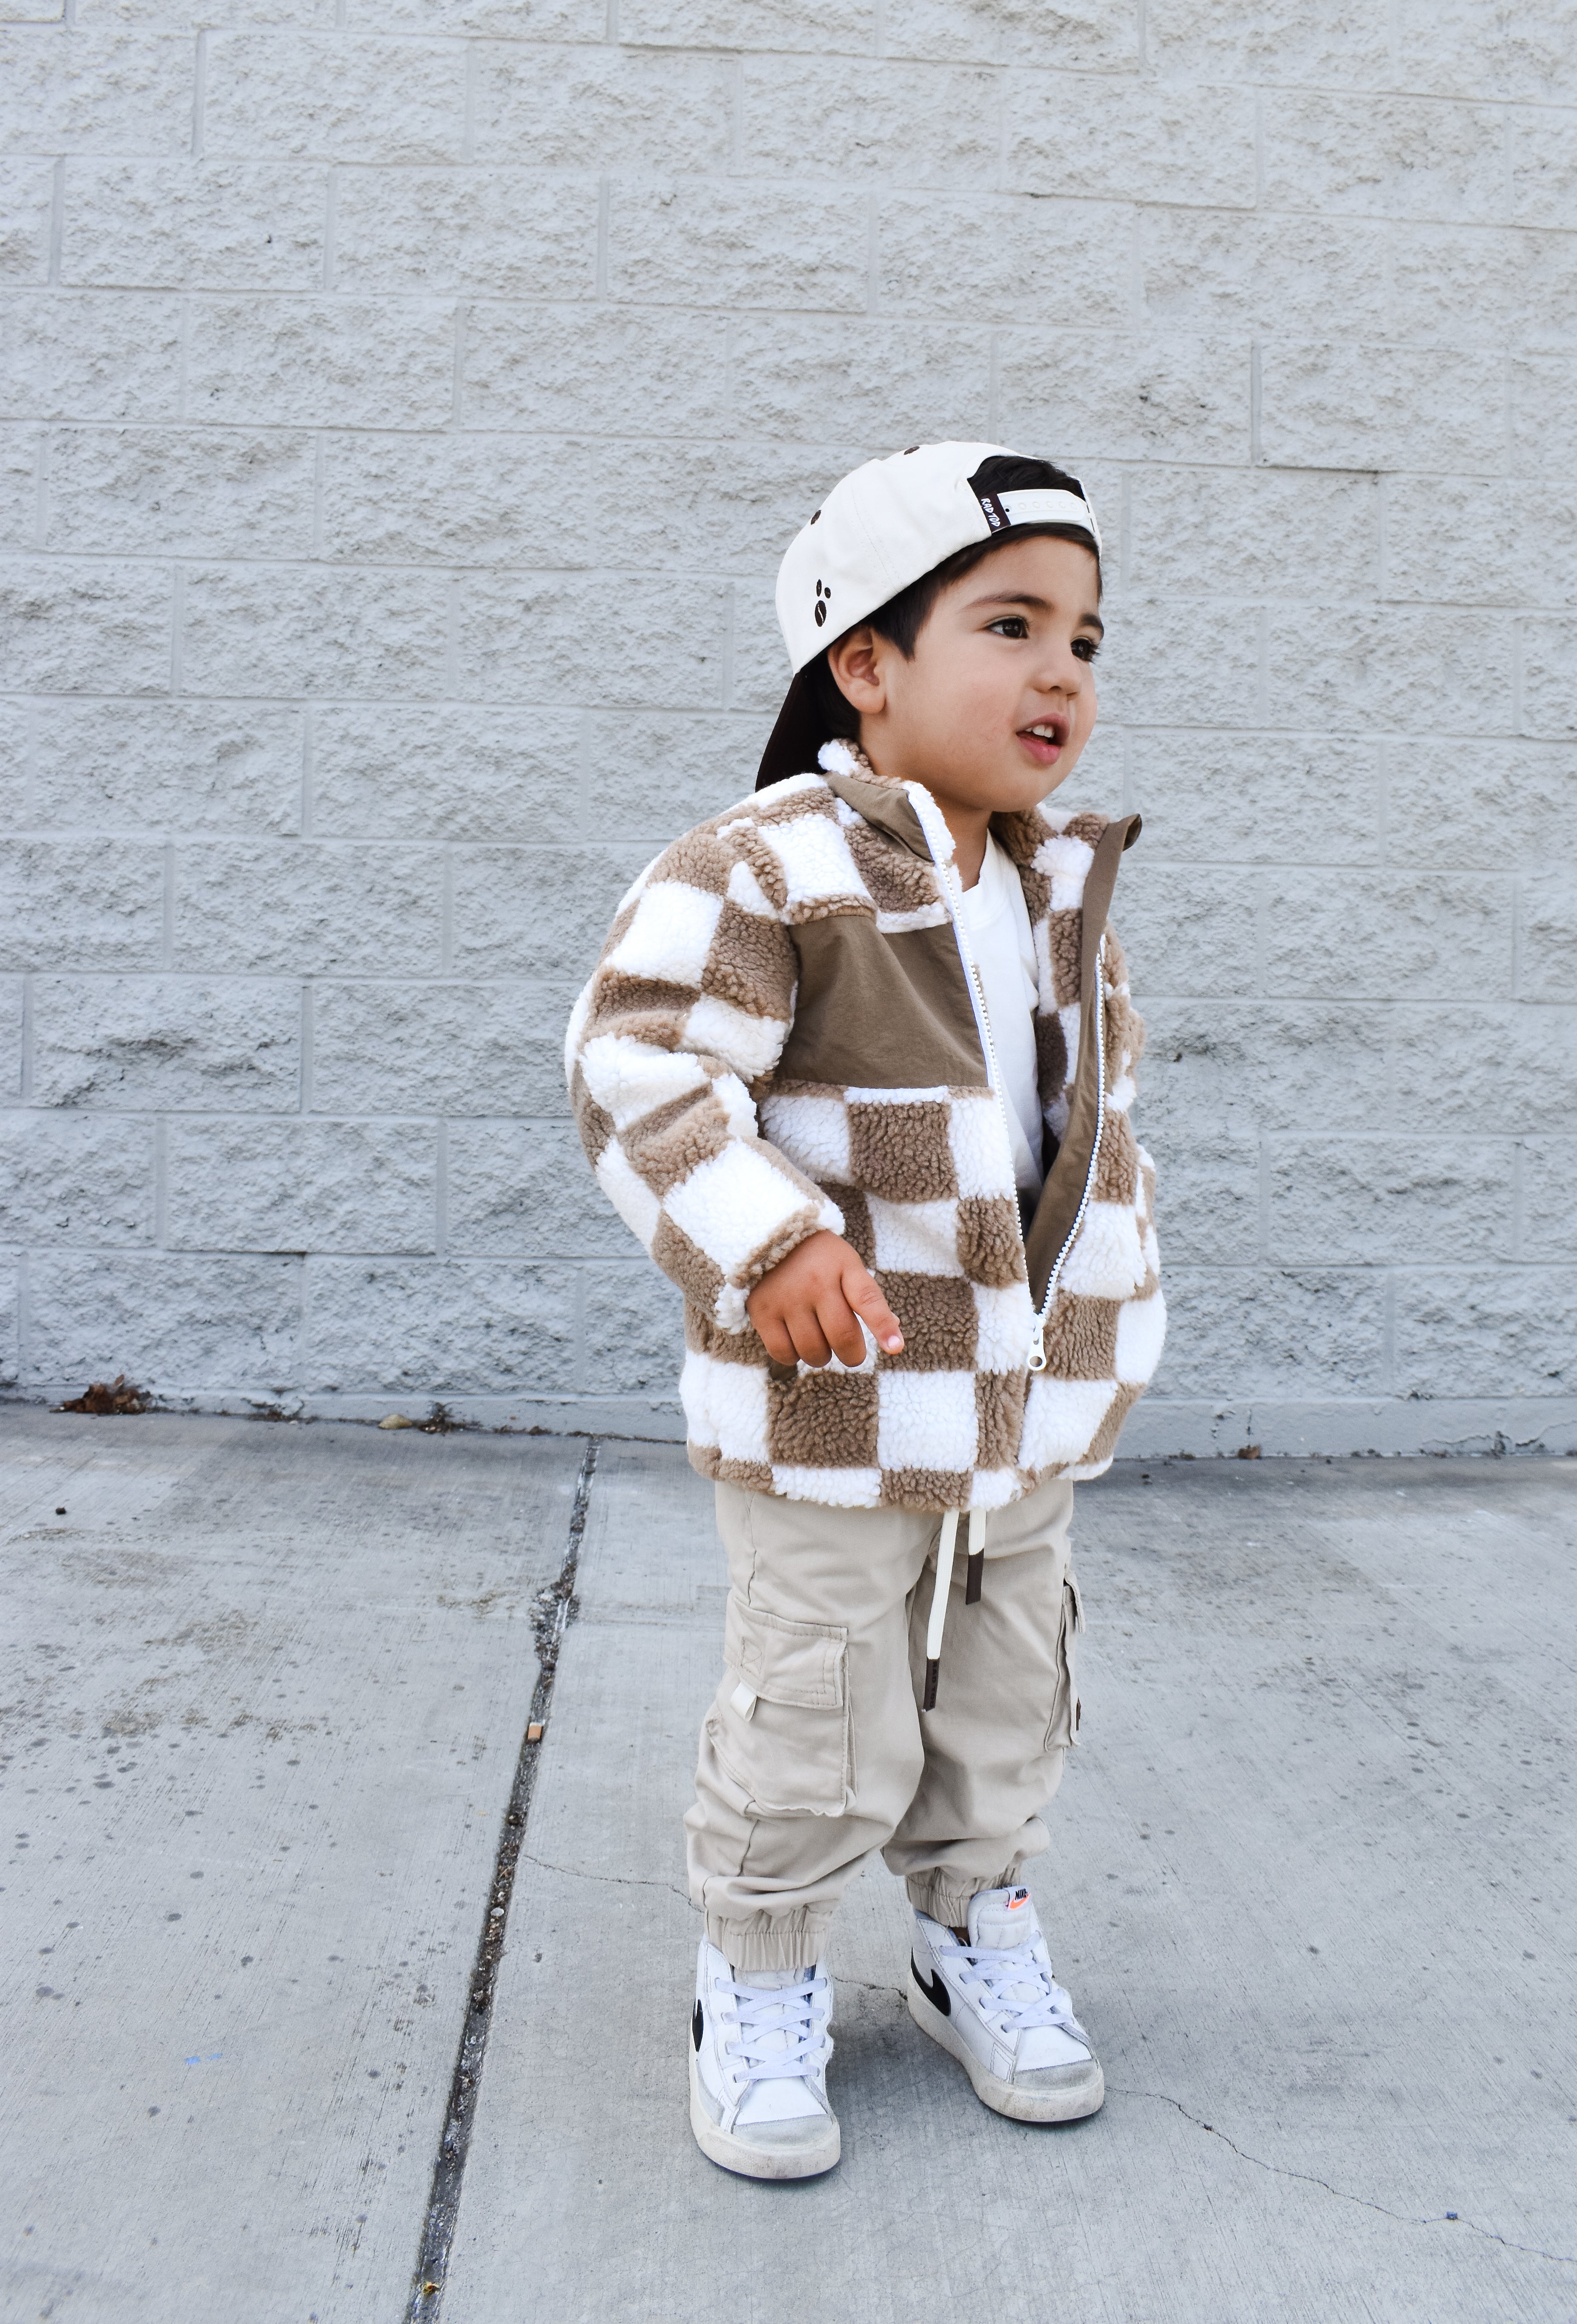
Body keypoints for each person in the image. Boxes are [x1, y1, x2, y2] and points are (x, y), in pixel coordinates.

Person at [566, 441, 1165, 2180]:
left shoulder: (1057, 886)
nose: (1062, 671)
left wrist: (1108, 1321)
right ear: (866, 660)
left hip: (1021, 1403)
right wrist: (767, 1243)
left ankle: (973, 1924)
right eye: (1011, 624)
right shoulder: (767, 866)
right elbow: (640, 1064)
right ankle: (757, 1969)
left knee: (1007, 1690)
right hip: (839, 1395)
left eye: (1086, 638)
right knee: (820, 1698)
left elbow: (1080, 1138)